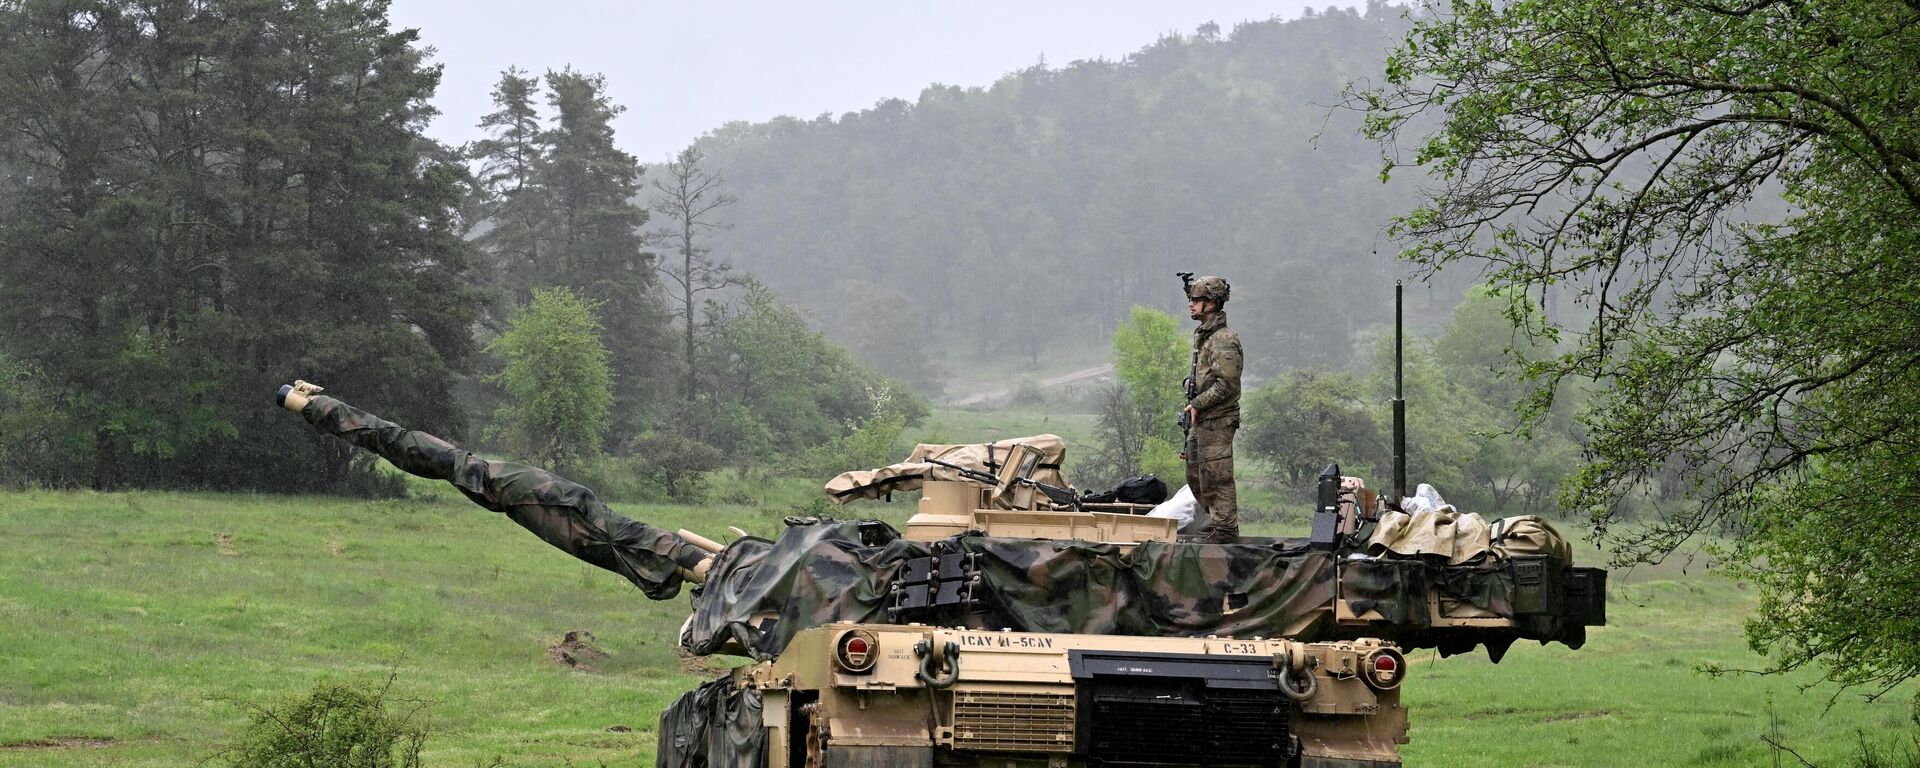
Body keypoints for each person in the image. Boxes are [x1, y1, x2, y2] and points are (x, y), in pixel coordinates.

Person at [1182, 276, 1242, 544]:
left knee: (1217, 475)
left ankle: (1226, 530)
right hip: (1203, 419)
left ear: (1211, 304)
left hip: (1218, 419)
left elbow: (1227, 385)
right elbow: (1210, 377)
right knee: (1196, 472)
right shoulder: (1206, 337)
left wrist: (1198, 403)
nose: (1191, 305)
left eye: (1196, 300)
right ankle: (1215, 522)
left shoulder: (1223, 339)